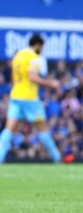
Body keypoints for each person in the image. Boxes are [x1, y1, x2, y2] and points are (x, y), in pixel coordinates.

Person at [0, 34, 62, 163]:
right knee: (42, 127)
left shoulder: (18, 55)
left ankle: (0, 156)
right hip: (29, 97)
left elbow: (14, 77)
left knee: (9, 129)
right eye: (42, 47)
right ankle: (57, 157)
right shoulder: (33, 56)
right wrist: (52, 84)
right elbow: (32, 77)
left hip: (15, 95)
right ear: (38, 45)